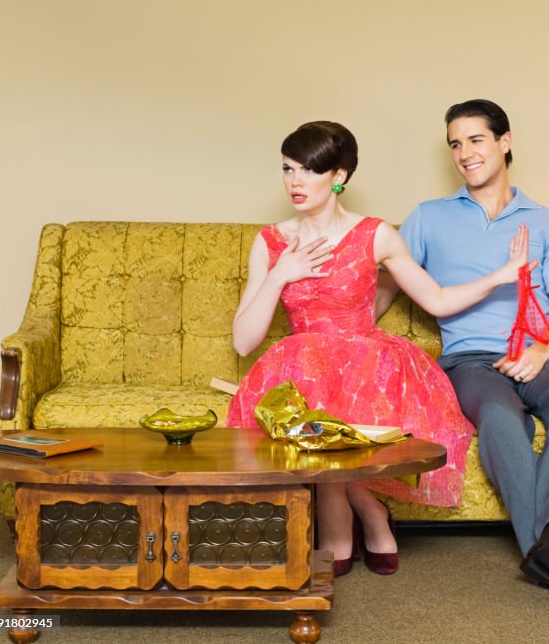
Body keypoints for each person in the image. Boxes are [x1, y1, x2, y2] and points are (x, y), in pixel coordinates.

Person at [226, 120, 532, 577]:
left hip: (364, 363)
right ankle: (367, 514)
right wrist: (279, 274)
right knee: (315, 401)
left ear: (339, 176)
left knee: (333, 411)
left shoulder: (376, 234)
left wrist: (501, 276)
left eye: (309, 170)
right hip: (302, 365)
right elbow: (244, 341)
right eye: (288, 170)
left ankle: (345, 529)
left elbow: (437, 299)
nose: (295, 182)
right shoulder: (270, 241)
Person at [383, 99, 549, 603]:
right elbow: (384, 287)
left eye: (476, 139)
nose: (464, 153)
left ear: (504, 142)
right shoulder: (429, 218)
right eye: (455, 143)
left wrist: (539, 352)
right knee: (498, 414)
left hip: (543, 352)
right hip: (471, 361)